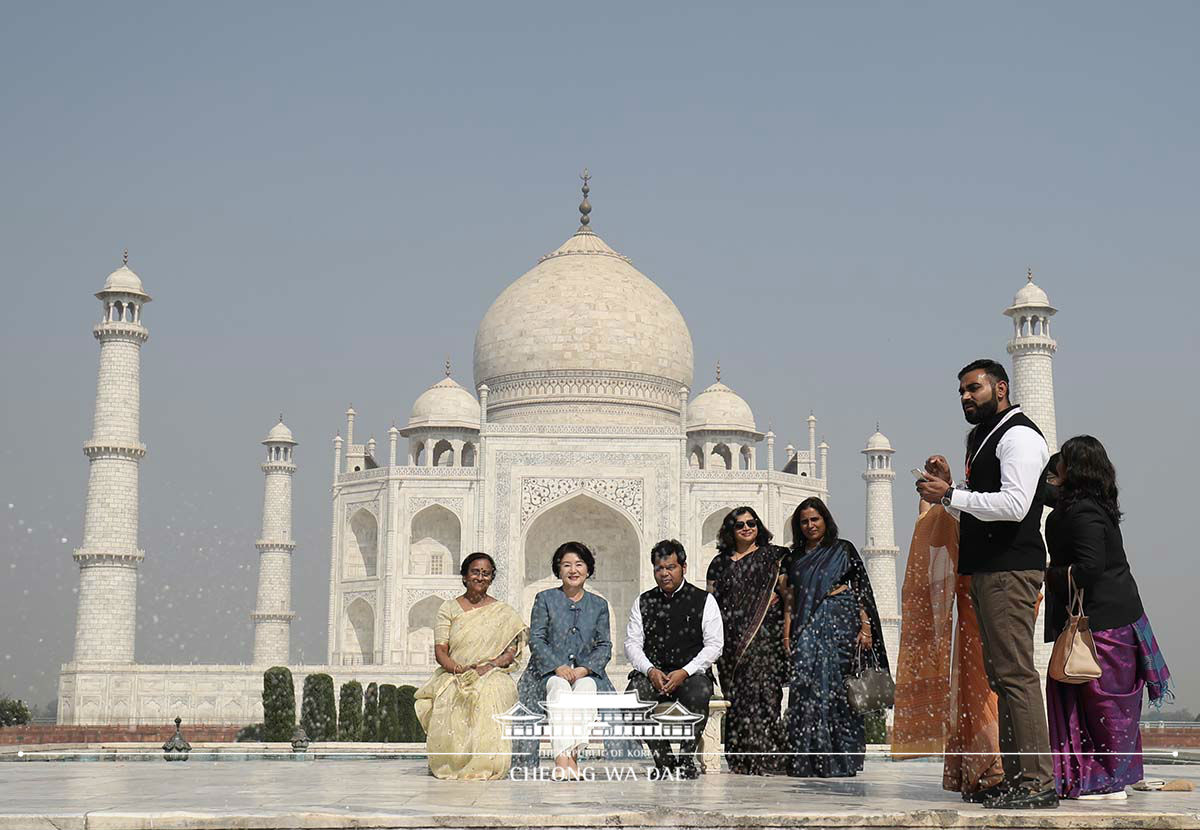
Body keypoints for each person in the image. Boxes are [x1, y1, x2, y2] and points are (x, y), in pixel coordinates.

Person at [917, 358, 1056, 809]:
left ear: (1001, 388)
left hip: (1011, 569)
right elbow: (977, 509)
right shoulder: (982, 438)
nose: (965, 397)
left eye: (973, 389)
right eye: (960, 391)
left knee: (1016, 674)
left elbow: (1015, 505)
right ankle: (1018, 778)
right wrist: (950, 489)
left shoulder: (1019, 435)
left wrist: (951, 495)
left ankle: (1037, 780)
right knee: (1003, 675)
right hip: (986, 570)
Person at [1043, 435, 1171, 800]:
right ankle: (1107, 776)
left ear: (1074, 470)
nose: (1055, 471)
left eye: (1062, 464)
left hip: (1103, 624)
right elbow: (1043, 492)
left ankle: (1106, 779)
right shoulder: (1090, 504)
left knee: (1103, 706)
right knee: (1103, 706)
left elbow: (1090, 567)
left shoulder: (1081, 512)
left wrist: (1048, 573)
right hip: (1113, 618)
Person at [891, 500, 1005, 801]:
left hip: (996, 600)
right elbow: (938, 535)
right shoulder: (965, 503)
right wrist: (937, 504)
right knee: (971, 691)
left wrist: (943, 501)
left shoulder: (999, 500)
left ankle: (996, 769)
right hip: (971, 607)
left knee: (990, 690)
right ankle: (977, 771)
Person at [782, 497, 889, 778]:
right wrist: (787, 636)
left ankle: (842, 760)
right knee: (806, 689)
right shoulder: (794, 557)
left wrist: (865, 628)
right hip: (807, 626)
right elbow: (790, 601)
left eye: (814, 519)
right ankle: (807, 759)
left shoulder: (843, 549)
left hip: (842, 621)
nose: (810, 525)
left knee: (840, 691)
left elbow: (861, 589)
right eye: (804, 521)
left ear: (825, 520)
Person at [414, 552, 528, 780]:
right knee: (450, 694)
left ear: (492, 578)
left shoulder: (503, 612)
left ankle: (486, 763)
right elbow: (441, 651)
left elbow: (510, 651)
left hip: (493, 672)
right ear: (465, 576)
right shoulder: (449, 609)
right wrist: (460, 670)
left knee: (491, 691)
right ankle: (452, 762)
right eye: (475, 572)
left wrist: (490, 666)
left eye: (486, 573)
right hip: (455, 671)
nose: (480, 577)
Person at [625, 538, 723, 779]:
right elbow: (632, 643)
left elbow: (714, 645)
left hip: (691, 674)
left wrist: (685, 671)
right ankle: (665, 760)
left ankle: (687, 758)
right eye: (659, 568)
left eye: (671, 567)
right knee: (632, 699)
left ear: (684, 567)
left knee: (699, 692)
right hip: (654, 673)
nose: (665, 573)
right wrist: (650, 670)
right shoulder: (644, 601)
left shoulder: (703, 600)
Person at [515, 541, 616, 775]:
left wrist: (584, 669)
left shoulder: (598, 604)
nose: (573, 570)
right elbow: (537, 640)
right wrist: (557, 666)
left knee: (585, 690)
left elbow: (604, 645)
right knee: (560, 690)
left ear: (588, 569)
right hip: (547, 673)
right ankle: (562, 761)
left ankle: (573, 757)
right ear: (558, 570)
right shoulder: (545, 599)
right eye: (567, 565)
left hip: (586, 673)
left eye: (579, 564)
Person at [705, 506, 788, 775]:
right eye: (739, 525)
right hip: (731, 644)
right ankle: (741, 760)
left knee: (765, 698)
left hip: (766, 639)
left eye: (751, 523)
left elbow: (790, 595)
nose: (746, 528)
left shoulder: (775, 556)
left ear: (758, 525)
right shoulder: (719, 563)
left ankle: (768, 758)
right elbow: (710, 604)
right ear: (730, 530)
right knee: (737, 702)